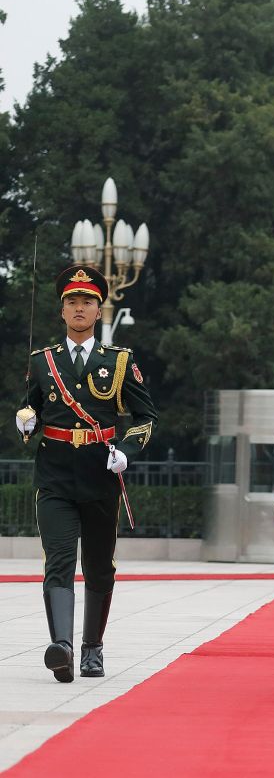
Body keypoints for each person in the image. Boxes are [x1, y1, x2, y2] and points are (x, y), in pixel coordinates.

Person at [15, 266, 158, 682]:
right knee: (58, 562)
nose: (79, 308)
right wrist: (25, 421)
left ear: (99, 311)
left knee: (98, 566)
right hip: (55, 475)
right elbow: (32, 410)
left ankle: (92, 648)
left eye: (88, 302)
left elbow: (146, 416)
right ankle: (61, 645)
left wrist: (126, 451)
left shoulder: (118, 361)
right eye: (72, 302)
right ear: (62, 311)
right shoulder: (43, 362)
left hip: (100, 474)